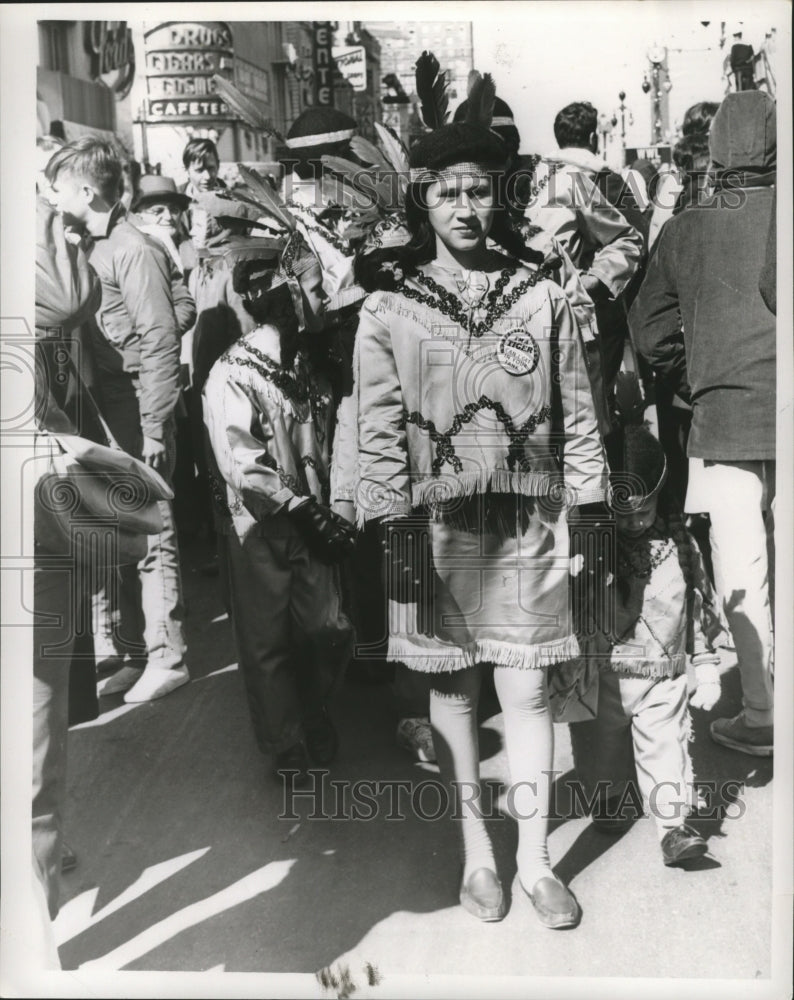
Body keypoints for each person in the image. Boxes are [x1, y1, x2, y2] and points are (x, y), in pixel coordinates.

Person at [348, 122, 608, 926]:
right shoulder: (388, 308)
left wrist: (591, 514)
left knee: (527, 691)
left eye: (478, 189)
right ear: (421, 197)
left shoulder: (542, 293)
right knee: (455, 694)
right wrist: (392, 531)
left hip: (527, 523)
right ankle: (477, 857)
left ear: (502, 193)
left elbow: (580, 417)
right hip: (437, 531)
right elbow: (378, 434)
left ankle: (535, 865)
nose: (464, 206)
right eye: (446, 190)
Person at [629, 91, 776, 757]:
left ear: (715, 152)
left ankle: (763, 714)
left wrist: (696, 381)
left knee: (745, 577)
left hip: (721, 428)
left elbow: (650, 335)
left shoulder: (686, 229)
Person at [202, 232, 355, 784]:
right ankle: (284, 739)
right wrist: (298, 507)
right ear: (288, 298)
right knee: (267, 641)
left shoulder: (304, 364)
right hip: (263, 529)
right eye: (314, 292)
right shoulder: (232, 374)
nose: (322, 303)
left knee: (328, 628)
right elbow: (242, 464)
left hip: (310, 523)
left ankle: (312, 705)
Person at [45, 137, 191, 703]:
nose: (52, 197)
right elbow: (177, 309)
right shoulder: (98, 244)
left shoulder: (130, 248)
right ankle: (137, 649)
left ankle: (167, 655)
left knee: (153, 531)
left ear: (85, 190)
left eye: (58, 187)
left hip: (134, 404)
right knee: (122, 529)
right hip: (107, 402)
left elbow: (160, 338)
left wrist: (154, 424)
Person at [578, 425, 724, 864]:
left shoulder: (682, 547)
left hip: (663, 674)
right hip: (606, 675)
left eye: (644, 511)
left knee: (664, 744)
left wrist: (707, 661)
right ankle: (610, 798)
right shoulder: (590, 548)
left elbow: (698, 606)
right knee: (603, 746)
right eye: (624, 513)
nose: (635, 522)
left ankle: (672, 828)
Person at [525, 101, 645, 407]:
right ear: (593, 139)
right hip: (590, 316)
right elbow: (636, 238)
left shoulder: (530, 179)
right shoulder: (607, 180)